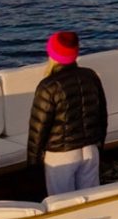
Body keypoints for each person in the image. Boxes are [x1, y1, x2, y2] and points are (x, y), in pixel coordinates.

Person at [26, 30, 109, 196]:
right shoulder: (90, 76)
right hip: (90, 150)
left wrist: (32, 164)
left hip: (61, 156)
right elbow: (102, 116)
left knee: (62, 202)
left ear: (52, 54)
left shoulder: (48, 86)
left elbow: (38, 130)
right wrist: (100, 145)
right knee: (92, 199)